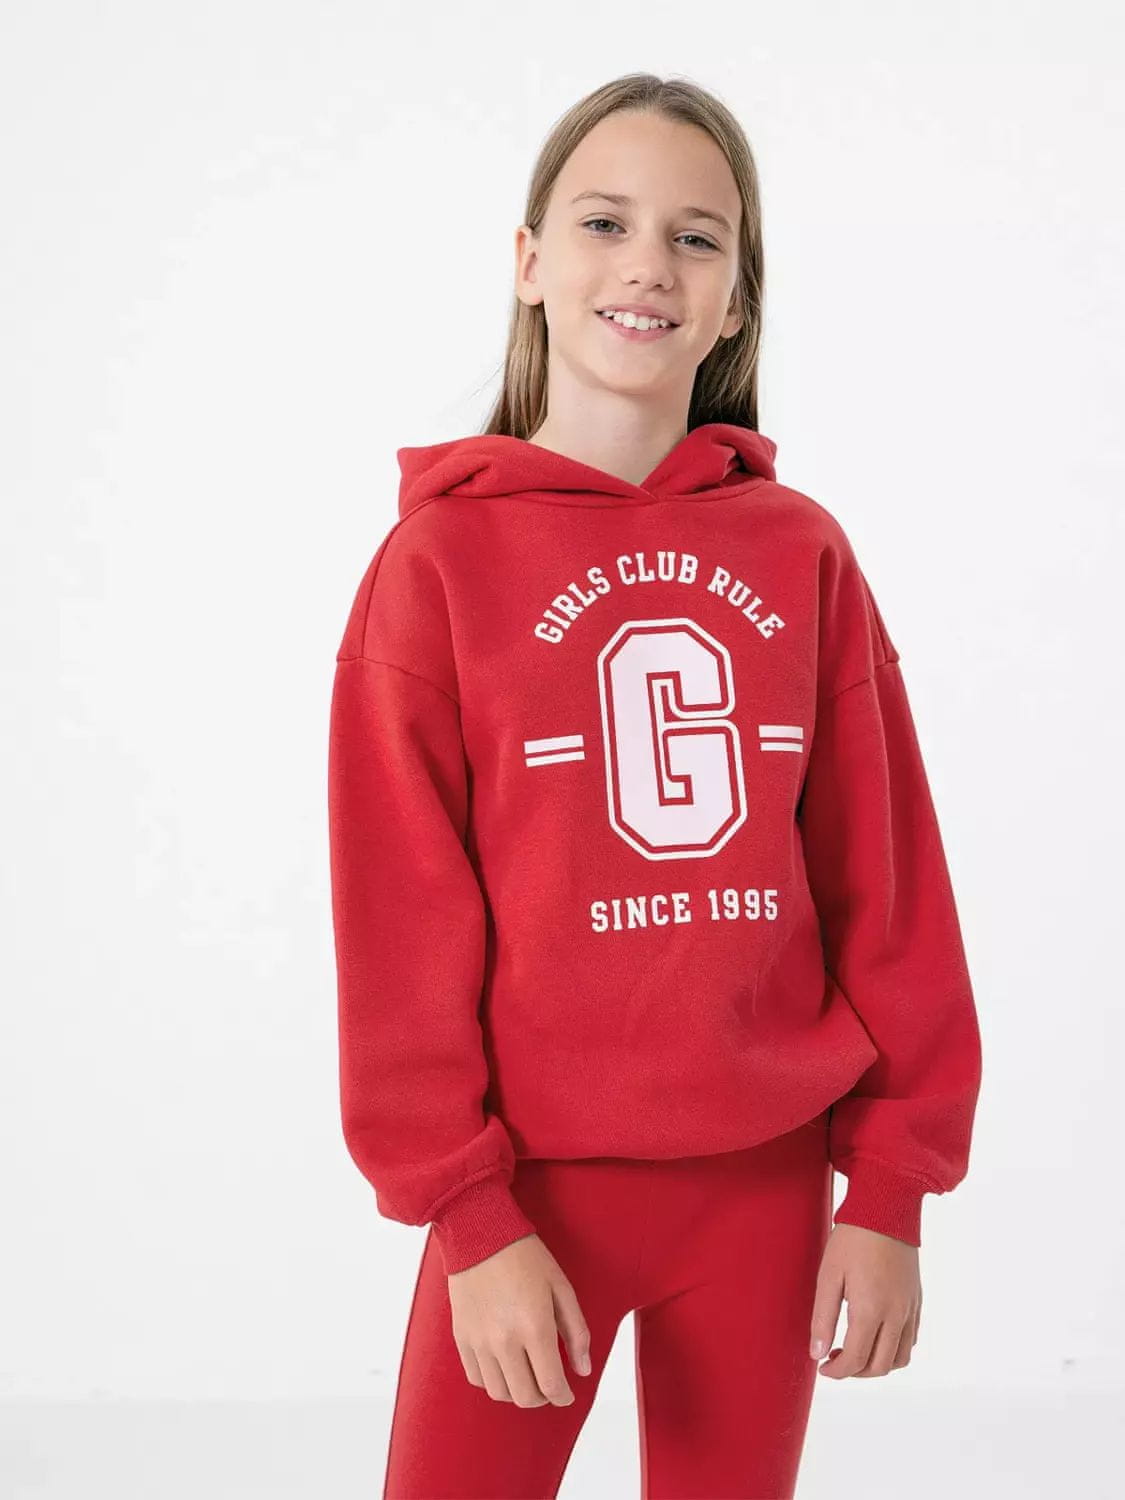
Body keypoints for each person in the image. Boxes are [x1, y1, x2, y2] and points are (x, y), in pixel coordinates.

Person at [327, 71, 983, 1500]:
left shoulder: (801, 553)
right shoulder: (437, 568)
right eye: (604, 222)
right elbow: (400, 923)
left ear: (737, 300)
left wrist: (890, 1191)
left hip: (765, 1190)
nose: (647, 264)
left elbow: (885, 884)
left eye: (697, 238)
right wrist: (466, 1216)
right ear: (529, 263)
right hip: (529, 1202)